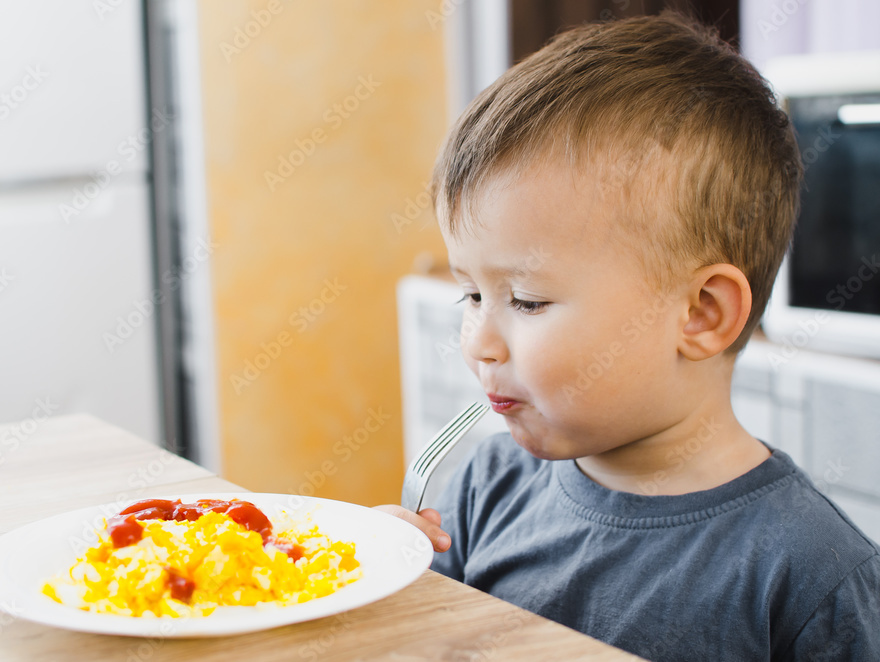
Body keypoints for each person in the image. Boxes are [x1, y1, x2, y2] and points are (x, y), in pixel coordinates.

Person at [376, 11, 880, 661]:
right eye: (471, 294)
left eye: (526, 301)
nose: (477, 343)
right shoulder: (486, 486)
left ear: (700, 313)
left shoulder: (811, 576)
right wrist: (394, 586)